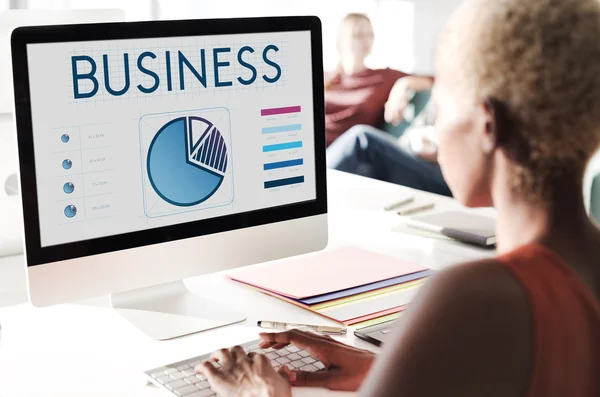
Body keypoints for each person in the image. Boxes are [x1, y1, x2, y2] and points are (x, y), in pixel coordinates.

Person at [196, 0, 600, 395]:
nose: (436, 130)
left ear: (487, 125)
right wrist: (390, 370)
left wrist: (259, 392)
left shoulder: (474, 296)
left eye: (440, 108)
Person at [324, 13, 434, 146]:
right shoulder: (324, 78)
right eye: (358, 35)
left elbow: (434, 80)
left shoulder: (383, 78)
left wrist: (404, 84)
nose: (366, 40)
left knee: (361, 135)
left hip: (351, 150)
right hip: (313, 149)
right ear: (340, 41)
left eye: (370, 35)